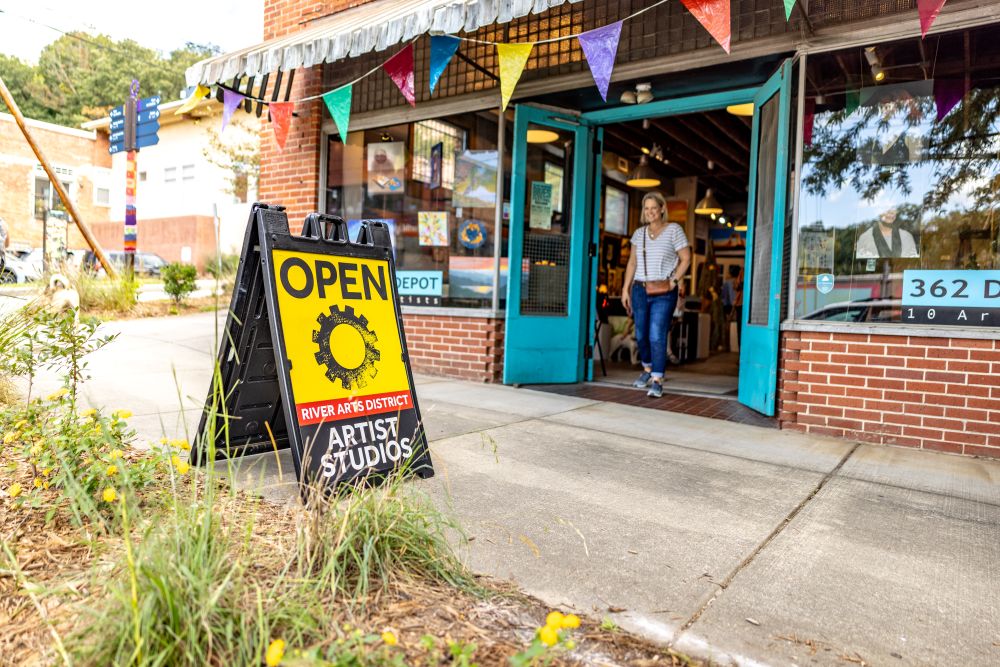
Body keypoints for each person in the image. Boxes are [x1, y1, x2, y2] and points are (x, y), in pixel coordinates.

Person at [621, 191, 692, 398]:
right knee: (641, 334)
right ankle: (647, 369)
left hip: (664, 291)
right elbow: (632, 263)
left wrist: (674, 281)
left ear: (662, 209)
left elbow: (686, 258)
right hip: (640, 290)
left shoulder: (674, 230)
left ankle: (658, 379)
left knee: (656, 334)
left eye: (654, 207)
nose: (650, 211)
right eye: (647, 208)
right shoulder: (639, 233)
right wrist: (625, 289)